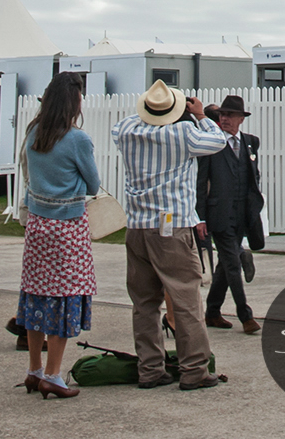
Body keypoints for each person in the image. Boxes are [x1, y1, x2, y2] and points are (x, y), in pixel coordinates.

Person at [110, 80, 230, 391]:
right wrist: (201, 115)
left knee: (144, 302)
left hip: (137, 226)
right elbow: (218, 141)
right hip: (172, 225)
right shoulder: (183, 134)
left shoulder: (127, 131)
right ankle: (195, 370)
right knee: (186, 298)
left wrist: (149, 111)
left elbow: (121, 124)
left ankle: (150, 368)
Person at [18, 73, 100, 399]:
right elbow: (93, 184)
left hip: (38, 224)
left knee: (36, 294)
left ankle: (34, 369)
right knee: (63, 297)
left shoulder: (33, 132)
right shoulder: (77, 139)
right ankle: (53, 374)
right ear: (74, 102)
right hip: (67, 227)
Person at [197, 95, 262, 334]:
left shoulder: (249, 143)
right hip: (219, 213)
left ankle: (212, 311)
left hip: (243, 213)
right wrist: (200, 217)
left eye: (230, 115)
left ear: (240, 119)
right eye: (222, 115)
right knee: (233, 262)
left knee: (225, 265)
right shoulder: (211, 144)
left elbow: (253, 177)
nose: (224, 119)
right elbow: (201, 181)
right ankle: (245, 315)